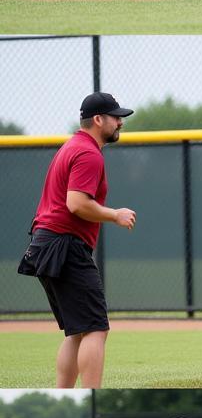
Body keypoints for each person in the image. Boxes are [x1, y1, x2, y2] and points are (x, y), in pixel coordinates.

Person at [17, 92, 136, 388]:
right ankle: (91, 392)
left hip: (47, 243)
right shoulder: (88, 153)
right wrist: (114, 214)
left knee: (77, 331)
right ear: (98, 120)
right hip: (64, 245)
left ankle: (64, 392)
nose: (120, 122)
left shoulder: (72, 146)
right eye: (115, 117)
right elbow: (76, 203)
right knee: (96, 328)